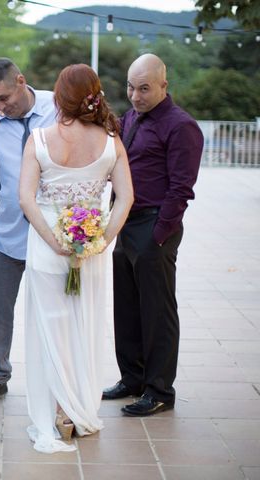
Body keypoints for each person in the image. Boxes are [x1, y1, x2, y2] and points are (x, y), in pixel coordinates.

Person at [18, 63, 133, 453]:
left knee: (50, 329)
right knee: (84, 323)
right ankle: (75, 410)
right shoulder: (111, 141)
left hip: (49, 246)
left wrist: (52, 240)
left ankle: (54, 413)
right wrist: (101, 241)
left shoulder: (40, 139)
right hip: (90, 249)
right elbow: (126, 198)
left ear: (60, 96)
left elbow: (26, 199)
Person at [103, 54, 203, 417]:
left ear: (164, 85)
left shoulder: (181, 126)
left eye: (144, 88)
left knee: (157, 311)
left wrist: (159, 235)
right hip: (125, 224)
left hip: (155, 226)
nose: (135, 95)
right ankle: (132, 379)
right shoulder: (129, 119)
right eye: (130, 87)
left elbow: (182, 189)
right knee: (127, 308)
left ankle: (159, 389)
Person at [0, 58, 57, 405]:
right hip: (3, 229)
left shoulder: (56, 107)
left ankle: (54, 375)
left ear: (21, 81)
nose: (0, 107)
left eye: (4, 98)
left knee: (52, 306)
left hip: (50, 230)